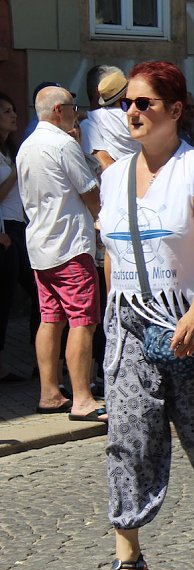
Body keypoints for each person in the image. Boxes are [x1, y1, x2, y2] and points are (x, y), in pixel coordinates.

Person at [99, 60, 194, 570]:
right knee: (129, 436)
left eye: (145, 103)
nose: (133, 112)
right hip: (128, 325)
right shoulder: (116, 174)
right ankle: (129, 556)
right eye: (128, 104)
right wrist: (110, 312)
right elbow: (111, 250)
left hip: (187, 322)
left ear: (175, 109)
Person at [16, 86, 106, 422]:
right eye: (72, 106)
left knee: (50, 319)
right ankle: (82, 398)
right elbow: (89, 189)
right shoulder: (62, 143)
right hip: (69, 244)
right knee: (83, 321)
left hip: (40, 243)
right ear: (58, 110)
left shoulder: (27, 146)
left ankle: (50, 392)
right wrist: (102, 220)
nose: (77, 111)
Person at [0, 92, 38, 383]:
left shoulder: (9, 150)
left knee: (36, 293)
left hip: (18, 228)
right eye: (5, 111)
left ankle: (41, 358)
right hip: (5, 233)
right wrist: (15, 172)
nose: (13, 115)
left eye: (13, 109)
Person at [87, 70, 141, 171]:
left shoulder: (97, 116)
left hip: (119, 168)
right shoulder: (135, 114)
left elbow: (83, 115)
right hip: (142, 166)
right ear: (124, 95)